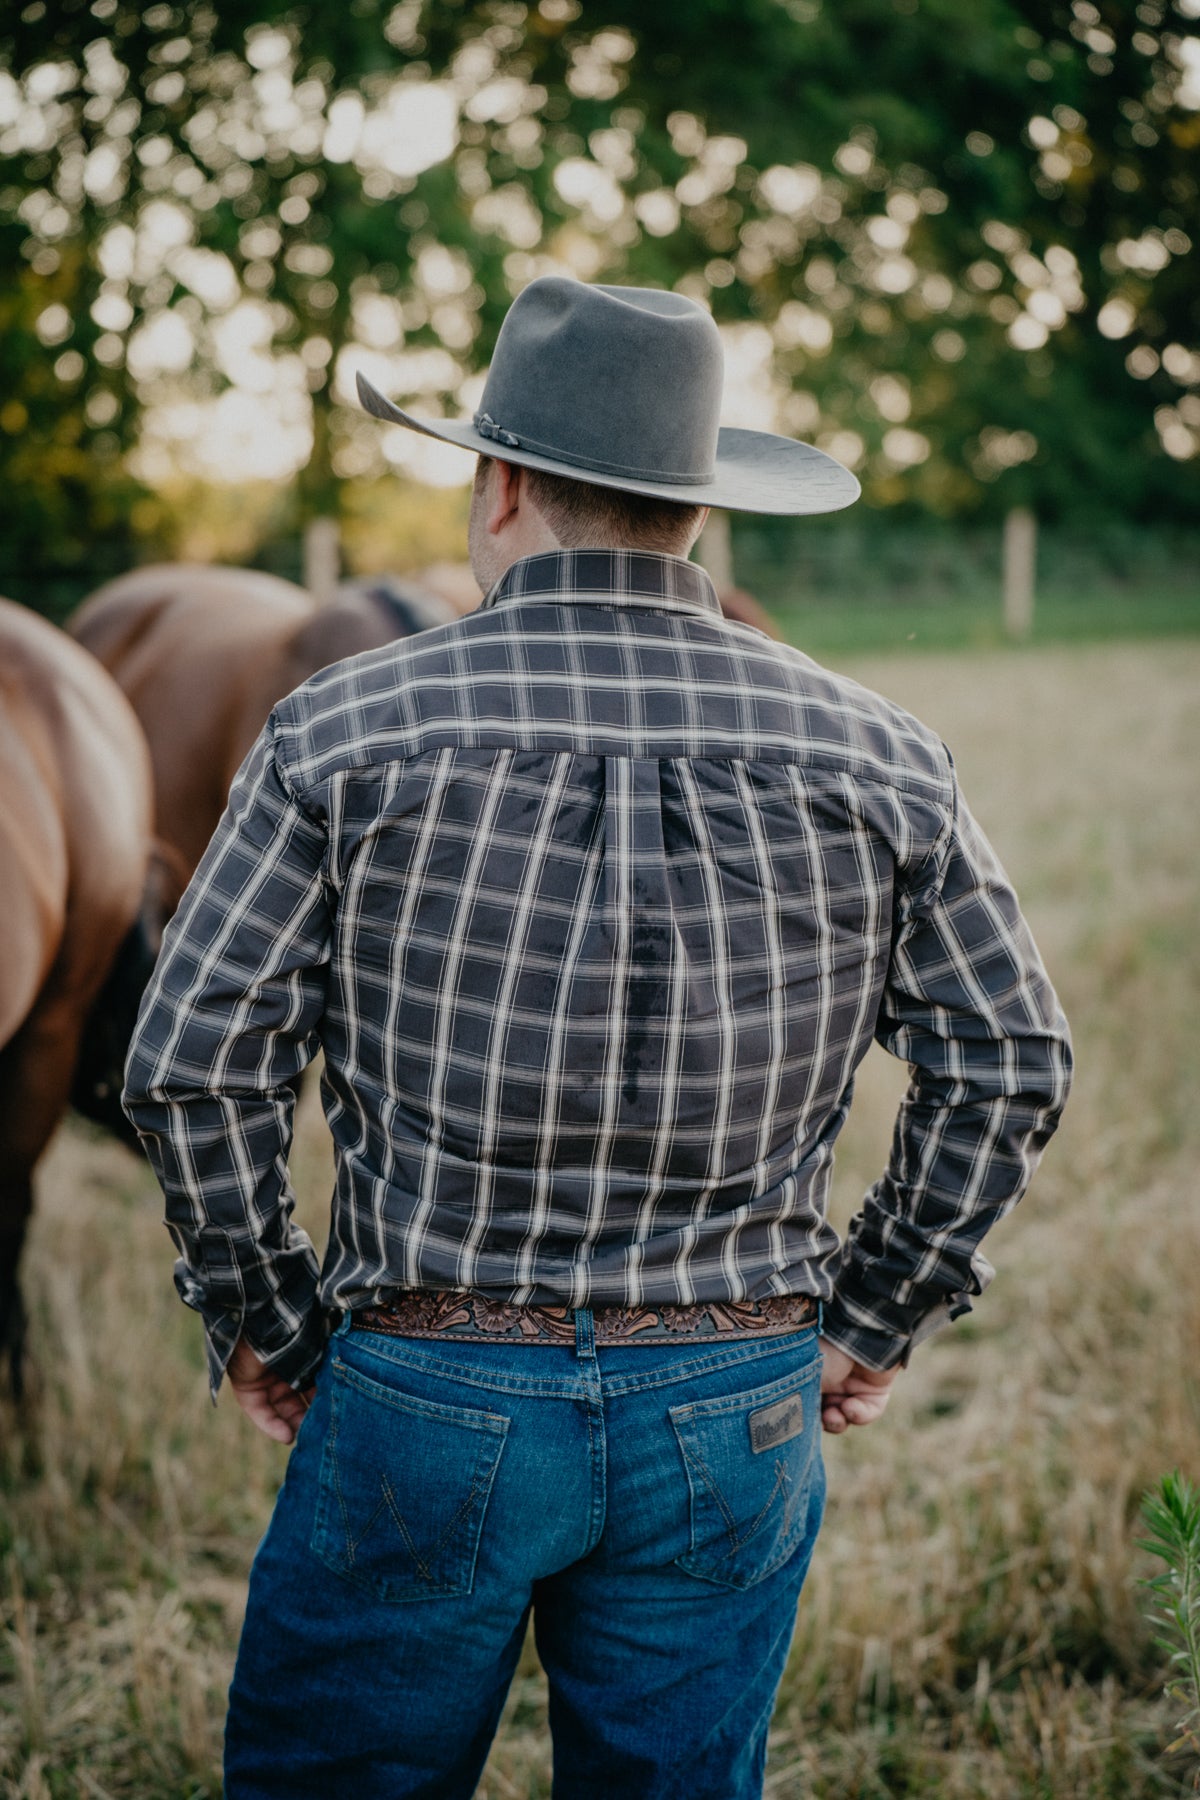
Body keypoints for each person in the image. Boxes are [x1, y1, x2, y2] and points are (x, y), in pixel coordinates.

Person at [123, 276, 1072, 1799]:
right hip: (735, 1399)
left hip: (421, 1389)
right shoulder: (880, 748)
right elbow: (1012, 1059)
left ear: (497, 484)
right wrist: (868, 1317)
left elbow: (192, 1057)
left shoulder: (341, 728)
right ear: (694, 507)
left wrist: (266, 1318)